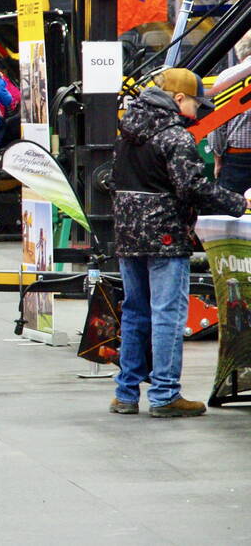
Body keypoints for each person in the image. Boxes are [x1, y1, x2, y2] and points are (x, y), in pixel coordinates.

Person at [110, 68, 248, 418]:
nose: (197, 111)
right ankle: (165, 395)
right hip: (165, 233)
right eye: (195, 103)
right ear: (179, 98)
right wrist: (239, 204)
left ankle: (125, 394)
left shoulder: (127, 130)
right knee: (167, 314)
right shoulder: (174, 136)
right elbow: (193, 187)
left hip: (128, 231)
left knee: (135, 310)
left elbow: (115, 179)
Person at [210, 33, 251, 194]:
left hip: (238, 159)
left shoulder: (227, 77)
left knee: (233, 213)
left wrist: (218, 159)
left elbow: (218, 125)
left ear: (238, 52)